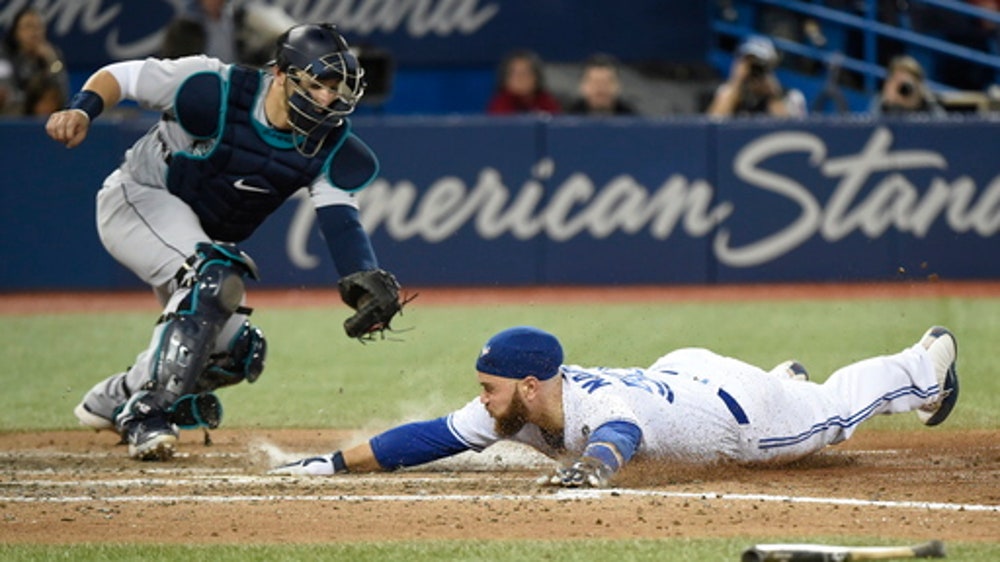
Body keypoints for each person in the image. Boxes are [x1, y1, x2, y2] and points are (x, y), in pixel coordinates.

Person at [46, 23, 405, 461]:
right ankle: (146, 413)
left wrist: (360, 274)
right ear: (281, 74)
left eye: (337, 88)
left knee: (237, 352)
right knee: (214, 278)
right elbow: (122, 77)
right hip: (140, 198)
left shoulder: (328, 145)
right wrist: (82, 109)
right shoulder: (215, 86)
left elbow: (341, 220)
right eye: (318, 85)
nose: (329, 99)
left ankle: (115, 397)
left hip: (195, 239)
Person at [271, 324, 959, 488]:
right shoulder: (522, 406)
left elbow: (619, 432)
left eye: (490, 387)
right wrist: (334, 463)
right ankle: (785, 380)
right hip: (681, 373)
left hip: (739, 415)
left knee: (830, 418)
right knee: (798, 394)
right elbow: (425, 439)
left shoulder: (597, 409)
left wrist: (593, 470)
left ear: (531, 385)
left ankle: (922, 365)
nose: (482, 401)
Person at [167, 0, 298, 66]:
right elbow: (174, 65)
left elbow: (284, 30)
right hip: (200, 85)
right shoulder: (184, 27)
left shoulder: (241, 18)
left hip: (236, 84)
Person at [707, 35, 806, 118]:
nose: (755, 71)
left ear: (771, 67)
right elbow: (712, 128)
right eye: (750, 64)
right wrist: (736, 82)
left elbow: (791, 133)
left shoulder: (792, 96)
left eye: (760, 65)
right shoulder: (728, 93)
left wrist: (773, 95)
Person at [1, 6, 69, 115]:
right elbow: (6, 91)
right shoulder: (4, 54)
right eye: (28, 27)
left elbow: (62, 93)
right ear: (16, 31)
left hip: (45, 115)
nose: (34, 32)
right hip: (12, 115)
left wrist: (51, 61)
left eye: (38, 27)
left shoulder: (51, 54)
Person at [486, 49, 562, 115]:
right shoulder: (499, 105)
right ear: (505, 79)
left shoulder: (546, 102)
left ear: (536, 77)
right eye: (515, 74)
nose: (520, 78)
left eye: (525, 73)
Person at [868, 55, 947, 117]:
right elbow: (873, 131)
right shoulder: (882, 103)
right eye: (897, 80)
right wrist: (889, 105)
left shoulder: (930, 105)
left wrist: (915, 104)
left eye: (906, 84)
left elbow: (942, 131)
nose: (903, 89)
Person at [565, 53, 638, 116]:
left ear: (618, 86)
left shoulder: (633, 121)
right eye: (595, 82)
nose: (600, 87)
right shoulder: (567, 122)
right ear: (582, 86)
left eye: (606, 82)